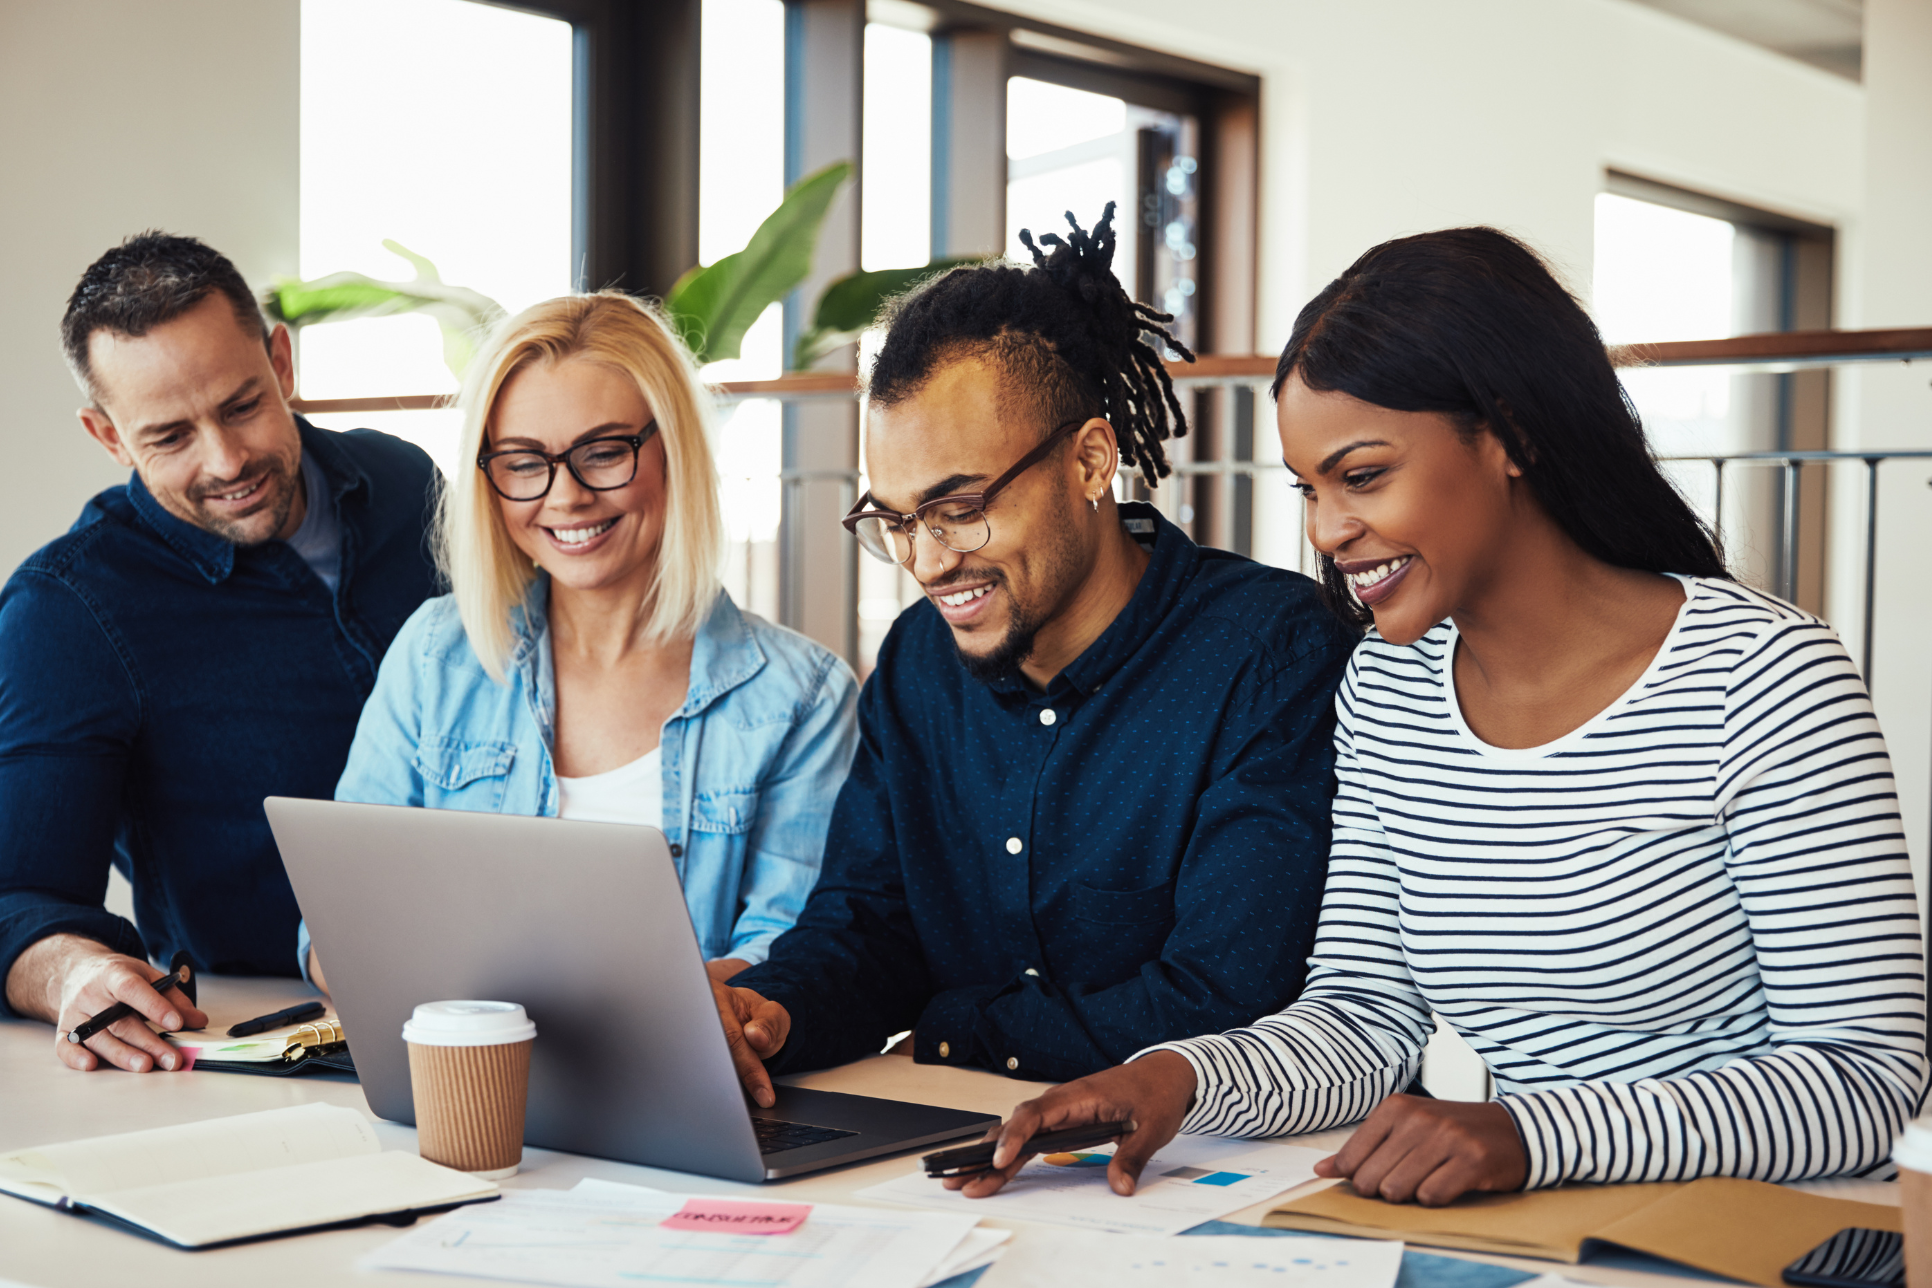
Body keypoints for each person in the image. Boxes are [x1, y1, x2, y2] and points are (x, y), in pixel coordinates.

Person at [957, 226, 1926, 1206]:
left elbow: (1868, 1080)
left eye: (1363, 475)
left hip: (1764, 1233)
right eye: (1309, 487)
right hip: (1530, 1229)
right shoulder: (1389, 688)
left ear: (1510, 433)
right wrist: (1171, 1077)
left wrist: (1529, 1132)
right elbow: (1365, 1016)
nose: (1327, 530)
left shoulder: (1764, 679)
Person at [711, 205, 1357, 1105]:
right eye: (895, 521)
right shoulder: (917, 663)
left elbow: (1230, 997)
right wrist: (768, 1008)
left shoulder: (1272, 651)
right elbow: (868, 927)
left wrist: (952, 1027)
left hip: (1209, 1163)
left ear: (1092, 462)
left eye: (960, 507)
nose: (929, 561)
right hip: (961, 1141)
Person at [0, 232, 441, 1073]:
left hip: (502, 1004)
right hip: (276, 1042)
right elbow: (17, 896)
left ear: (281, 359)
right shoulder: (68, 608)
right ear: (108, 436)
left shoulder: (405, 486)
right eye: (169, 437)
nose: (227, 460)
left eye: (243, 406)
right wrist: (73, 971)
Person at [332, 293, 857, 981]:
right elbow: (337, 918)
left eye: (603, 452)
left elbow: (787, 957)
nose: (566, 496)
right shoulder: (436, 656)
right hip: (461, 1071)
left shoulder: (803, 697)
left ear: (674, 450)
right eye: (523, 462)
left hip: (683, 1084)